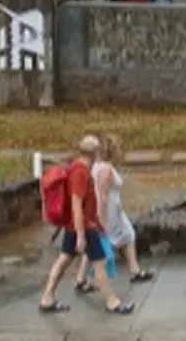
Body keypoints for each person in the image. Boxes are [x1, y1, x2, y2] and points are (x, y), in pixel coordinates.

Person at [38, 136, 134, 316]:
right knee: (100, 263)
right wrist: (81, 236)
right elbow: (77, 204)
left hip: (76, 225)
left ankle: (47, 297)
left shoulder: (77, 167)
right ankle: (112, 302)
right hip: (83, 227)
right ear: (95, 153)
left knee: (64, 260)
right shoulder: (80, 173)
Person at [76, 135, 154, 292]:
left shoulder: (97, 166)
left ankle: (134, 270)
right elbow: (103, 197)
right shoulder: (106, 169)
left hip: (115, 210)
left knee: (128, 234)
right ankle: (83, 278)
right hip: (110, 212)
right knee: (102, 242)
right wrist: (102, 219)